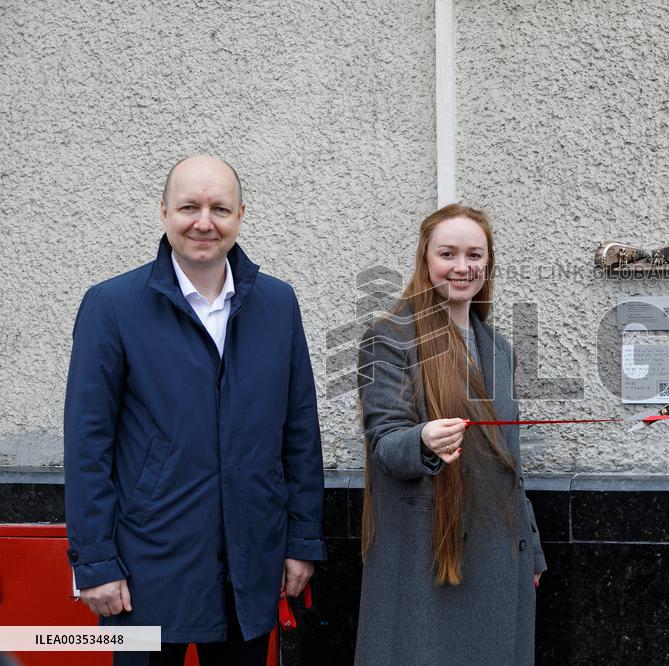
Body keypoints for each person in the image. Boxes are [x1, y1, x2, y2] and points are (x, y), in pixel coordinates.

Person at [64, 155, 326, 665]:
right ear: (164, 213)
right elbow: (87, 444)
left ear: (240, 216)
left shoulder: (277, 304)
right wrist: (94, 561)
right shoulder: (112, 306)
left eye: (219, 208)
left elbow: (300, 430)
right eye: (189, 206)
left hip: (249, 565)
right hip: (145, 568)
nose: (204, 222)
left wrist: (302, 541)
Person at [355, 204, 546, 665]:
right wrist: (422, 441)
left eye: (475, 255)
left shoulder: (498, 347)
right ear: (425, 259)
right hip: (428, 559)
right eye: (448, 254)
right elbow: (384, 444)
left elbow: (509, 462)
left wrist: (532, 549)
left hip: (501, 557)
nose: (463, 267)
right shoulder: (389, 337)